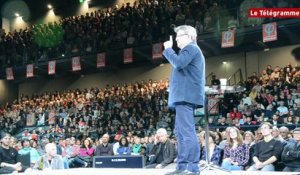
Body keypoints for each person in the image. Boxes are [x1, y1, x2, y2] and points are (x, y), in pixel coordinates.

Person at [163, 25, 205, 175]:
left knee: (186, 132)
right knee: (180, 132)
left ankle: (192, 167)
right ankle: (182, 166)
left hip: (186, 96)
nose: (176, 39)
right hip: (183, 96)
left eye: (179, 36)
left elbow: (179, 63)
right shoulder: (190, 50)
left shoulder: (191, 48)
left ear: (189, 36)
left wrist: (168, 49)